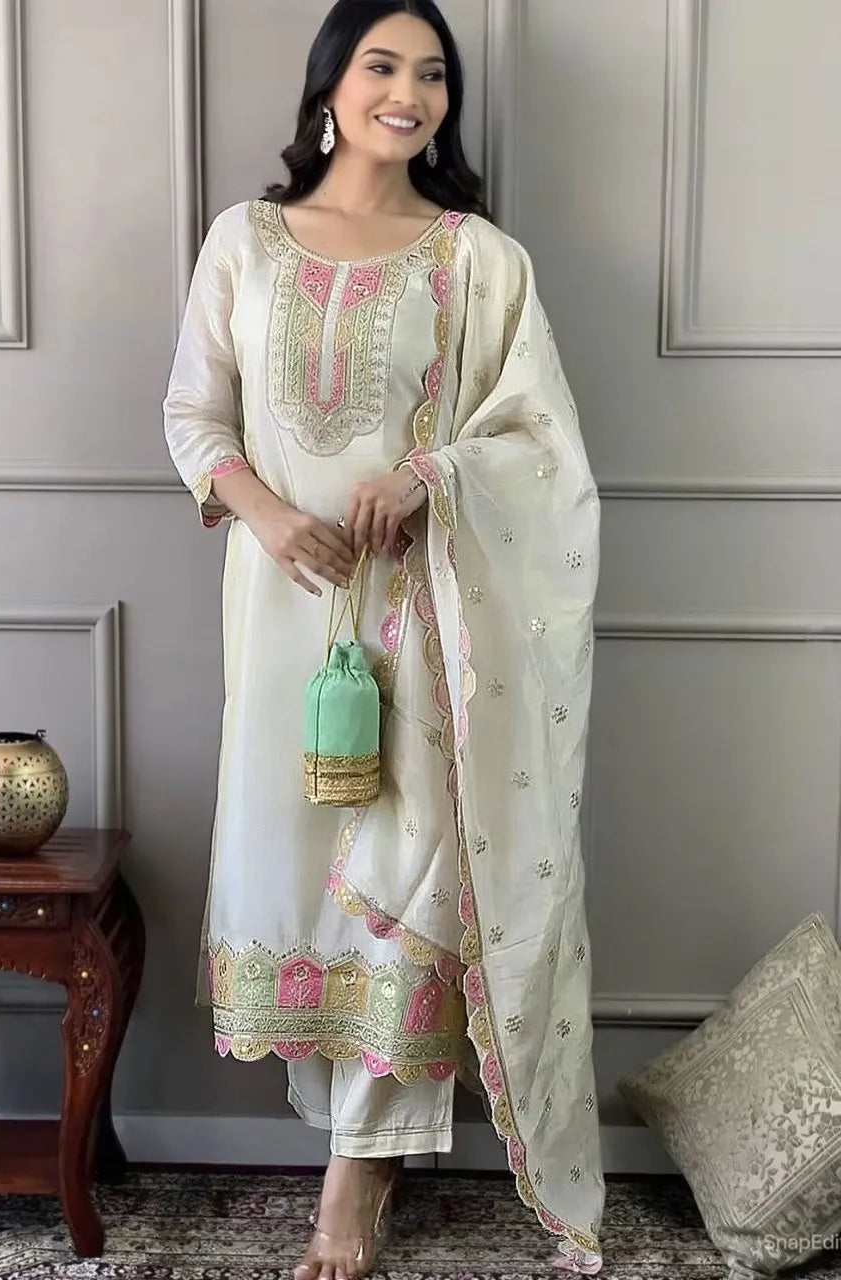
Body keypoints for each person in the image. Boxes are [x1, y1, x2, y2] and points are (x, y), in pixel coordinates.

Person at [163, 1, 605, 1275]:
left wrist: (433, 476)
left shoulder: (476, 259)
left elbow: (541, 443)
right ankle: (359, 1134)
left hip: (428, 618)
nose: (407, 93)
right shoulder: (244, 241)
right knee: (297, 870)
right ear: (330, 85)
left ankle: (352, 1188)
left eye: (432, 75)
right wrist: (269, 516)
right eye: (382, 65)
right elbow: (194, 414)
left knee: (409, 876)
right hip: (282, 620)